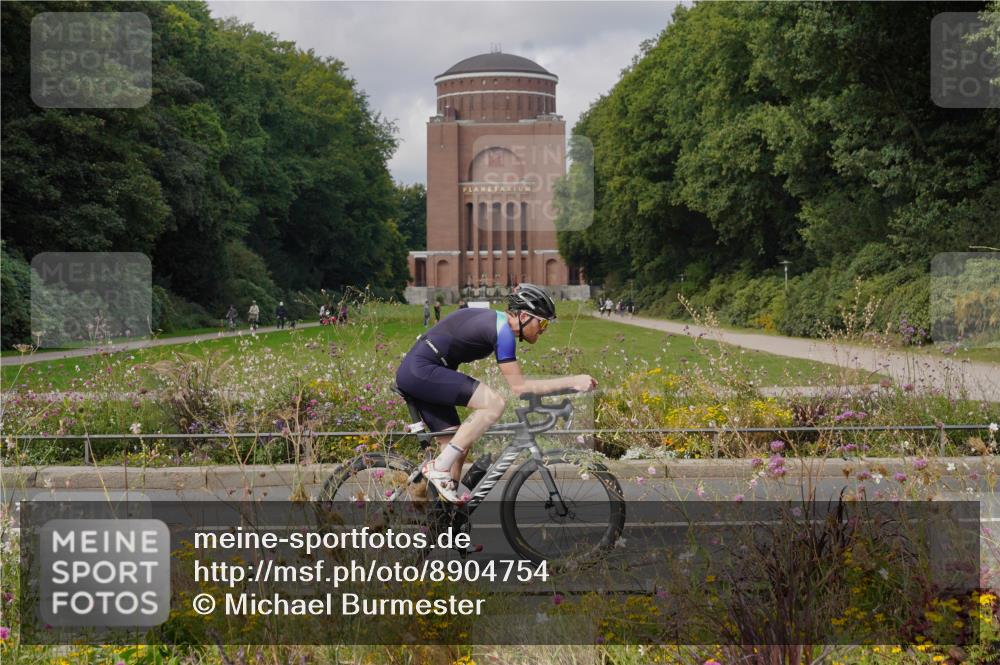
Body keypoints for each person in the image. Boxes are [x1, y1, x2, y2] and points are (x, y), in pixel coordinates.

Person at [395, 284, 597, 503]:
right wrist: (573, 381)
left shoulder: (499, 324)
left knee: (458, 445)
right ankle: (439, 468)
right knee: (494, 404)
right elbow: (519, 387)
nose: (543, 329)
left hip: (424, 370)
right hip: (422, 370)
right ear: (523, 316)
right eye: (543, 322)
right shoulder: (502, 330)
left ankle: (445, 515)